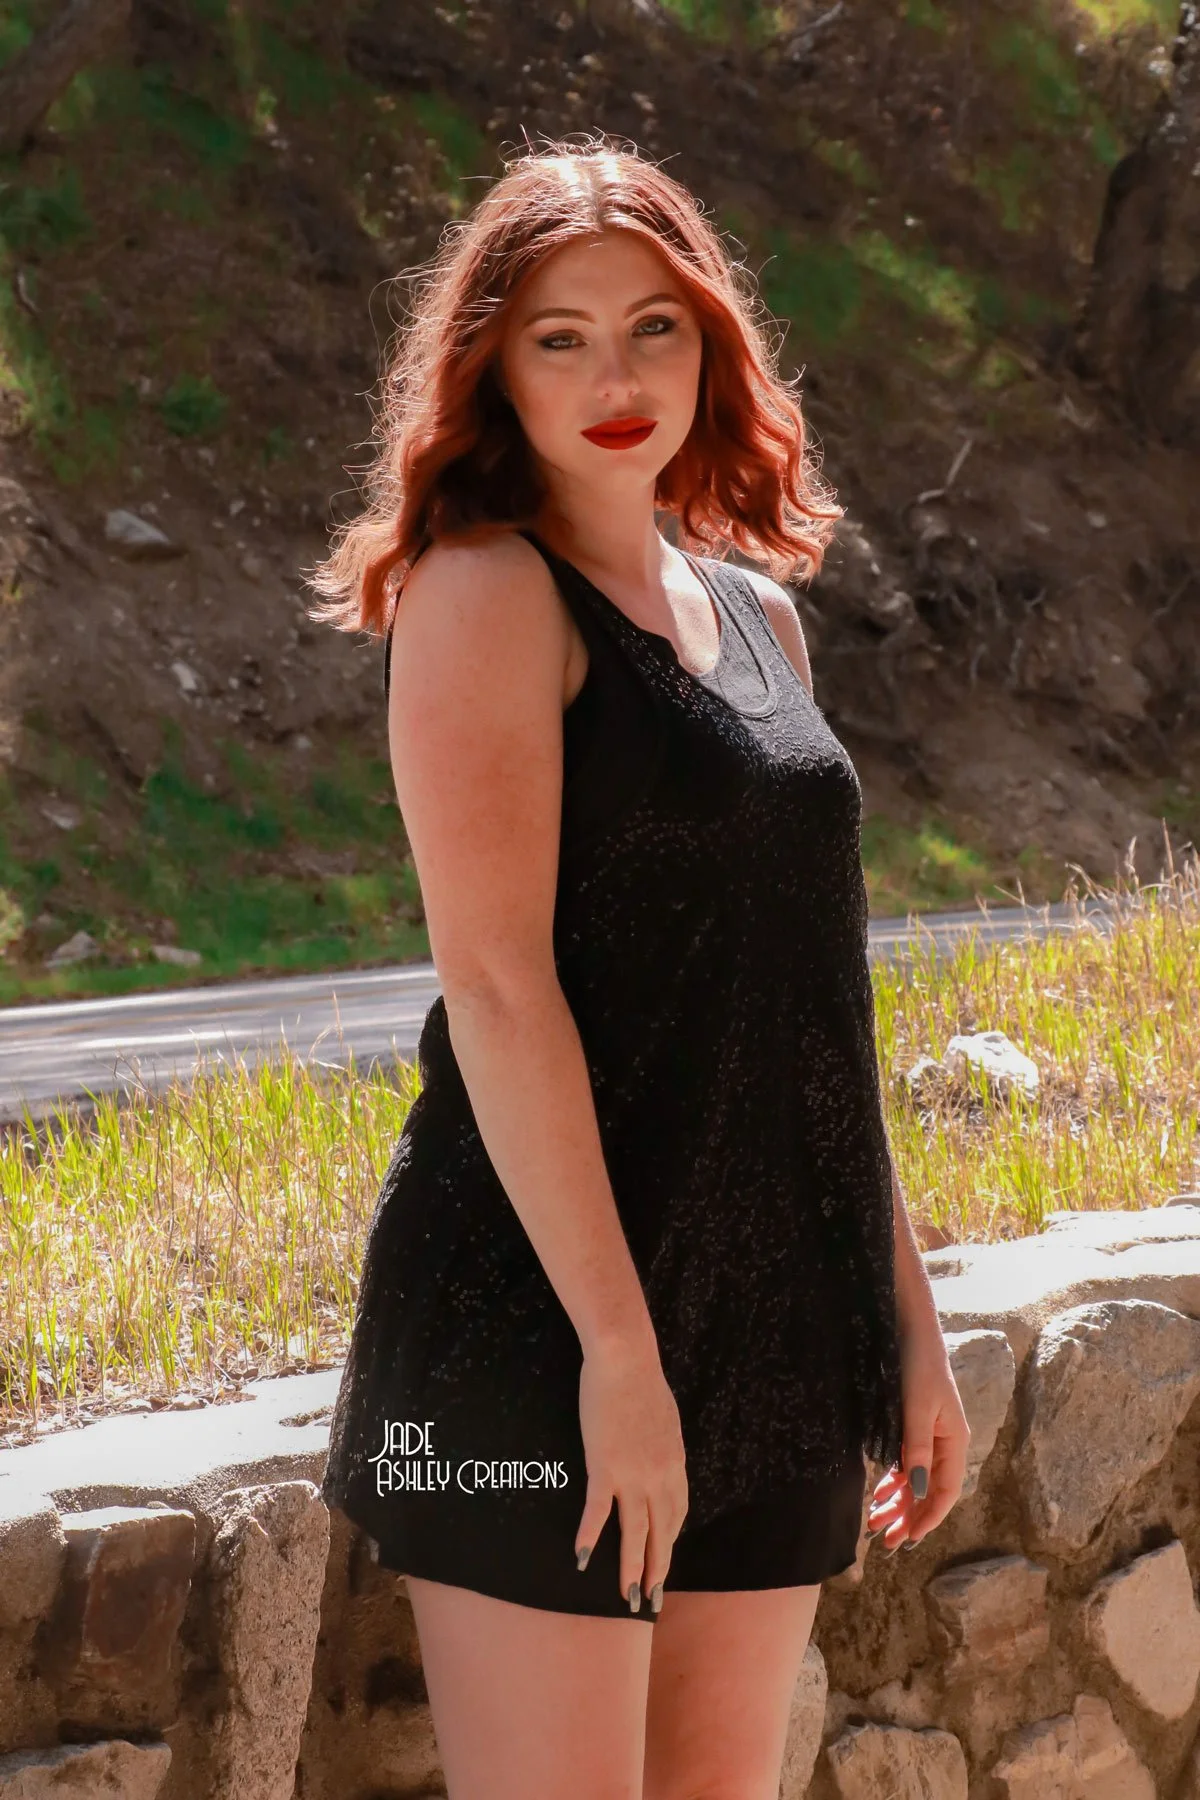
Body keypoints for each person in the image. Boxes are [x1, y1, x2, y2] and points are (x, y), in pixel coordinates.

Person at [309, 133, 969, 1800]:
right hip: (531, 1336)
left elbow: (810, 1012)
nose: (615, 379)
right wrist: (616, 1353)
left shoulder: (762, 621)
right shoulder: (482, 594)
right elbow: (499, 986)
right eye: (561, 338)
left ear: (709, 344)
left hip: (769, 1323)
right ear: (494, 369)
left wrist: (907, 1315)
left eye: (652, 328)